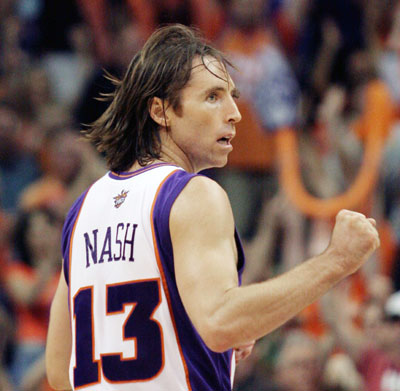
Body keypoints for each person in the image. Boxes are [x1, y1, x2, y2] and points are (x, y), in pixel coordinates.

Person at [46, 24, 380, 391]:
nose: (235, 112)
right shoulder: (192, 194)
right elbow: (221, 322)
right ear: (160, 111)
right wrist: (337, 260)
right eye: (213, 97)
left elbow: (60, 370)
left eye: (232, 96)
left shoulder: (83, 209)